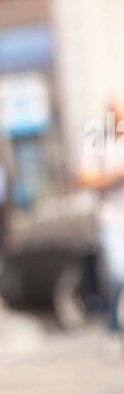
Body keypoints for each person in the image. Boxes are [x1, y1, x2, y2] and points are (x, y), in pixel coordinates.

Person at [77, 96, 124, 342]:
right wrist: (115, 175)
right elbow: (83, 177)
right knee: (118, 273)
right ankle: (113, 325)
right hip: (111, 220)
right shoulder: (97, 141)